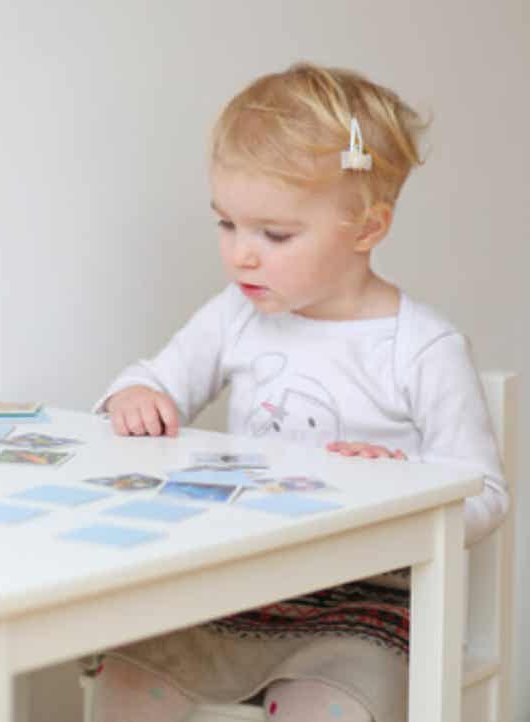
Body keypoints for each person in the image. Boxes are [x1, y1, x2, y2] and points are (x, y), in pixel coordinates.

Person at [91, 62, 508, 722]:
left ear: (368, 230)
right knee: (127, 674)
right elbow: (151, 378)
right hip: (240, 586)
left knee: (325, 706)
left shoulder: (422, 348)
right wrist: (136, 395)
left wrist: (408, 486)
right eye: (226, 224)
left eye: (273, 235)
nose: (241, 256)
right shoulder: (235, 314)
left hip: (369, 609)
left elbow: (485, 492)